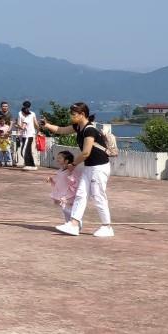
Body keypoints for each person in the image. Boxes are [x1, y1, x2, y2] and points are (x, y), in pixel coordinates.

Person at [42, 101, 114, 237]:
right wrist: (46, 125)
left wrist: (73, 164)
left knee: (98, 196)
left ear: (82, 114)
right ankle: (74, 224)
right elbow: (61, 130)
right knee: (81, 194)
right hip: (89, 167)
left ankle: (107, 226)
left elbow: (86, 152)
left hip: (99, 168)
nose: (71, 116)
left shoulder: (89, 130)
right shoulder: (78, 127)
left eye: (74, 114)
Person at [48, 150, 78, 222]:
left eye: (60, 158)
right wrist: (51, 180)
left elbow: (74, 180)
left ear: (66, 161)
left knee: (65, 209)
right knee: (64, 209)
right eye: (57, 158)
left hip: (68, 194)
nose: (57, 159)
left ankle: (76, 220)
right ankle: (69, 223)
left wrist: (71, 176)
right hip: (61, 192)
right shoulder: (60, 170)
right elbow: (58, 181)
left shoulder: (70, 170)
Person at [16, 101, 39, 170]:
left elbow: (35, 123)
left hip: (30, 134)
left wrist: (38, 131)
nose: (27, 108)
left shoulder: (32, 114)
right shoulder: (20, 113)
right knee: (27, 150)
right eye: (26, 106)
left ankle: (29, 164)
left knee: (24, 150)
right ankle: (31, 165)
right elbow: (19, 123)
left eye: (28, 107)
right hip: (23, 135)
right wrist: (18, 134)